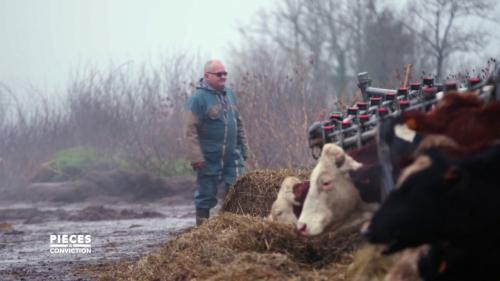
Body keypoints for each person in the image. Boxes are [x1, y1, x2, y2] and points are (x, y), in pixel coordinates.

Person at [185, 60, 248, 225]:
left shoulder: (230, 94)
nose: (223, 77)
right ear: (207, 76)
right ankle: (201, 231)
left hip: (232, 155)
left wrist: (244, 149)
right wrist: (196, 157)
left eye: (225, 73)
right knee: (206, 195)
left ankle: (232, 227)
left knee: (237, 190)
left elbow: (238, 123)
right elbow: (189, 131)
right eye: (219, 74)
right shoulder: (198, 99)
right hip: (208, 157)